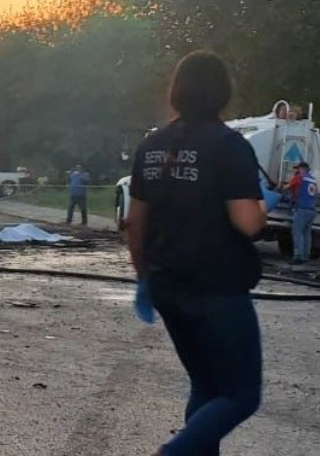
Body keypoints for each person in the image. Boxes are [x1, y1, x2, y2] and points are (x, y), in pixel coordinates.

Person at [124, 50, 268, 456]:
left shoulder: (151, 145)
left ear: (177, 91)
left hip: (168, 285)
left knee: (206, 386)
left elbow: (135, 221)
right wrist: (265, 205)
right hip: (217, 288)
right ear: (222, 92)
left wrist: (144, 278)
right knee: (241, 395)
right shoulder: (228, 145)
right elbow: (247, 222)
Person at [290, 161, 319, 265]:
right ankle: (306, 256)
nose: (297, 171)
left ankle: (298, 256)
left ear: (303, 169)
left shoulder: (300, 177)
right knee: (307, 234)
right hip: (311, 209)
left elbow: (289, 186)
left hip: (302, 209)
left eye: (298, 169)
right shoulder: (313, 180)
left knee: (297, 233)